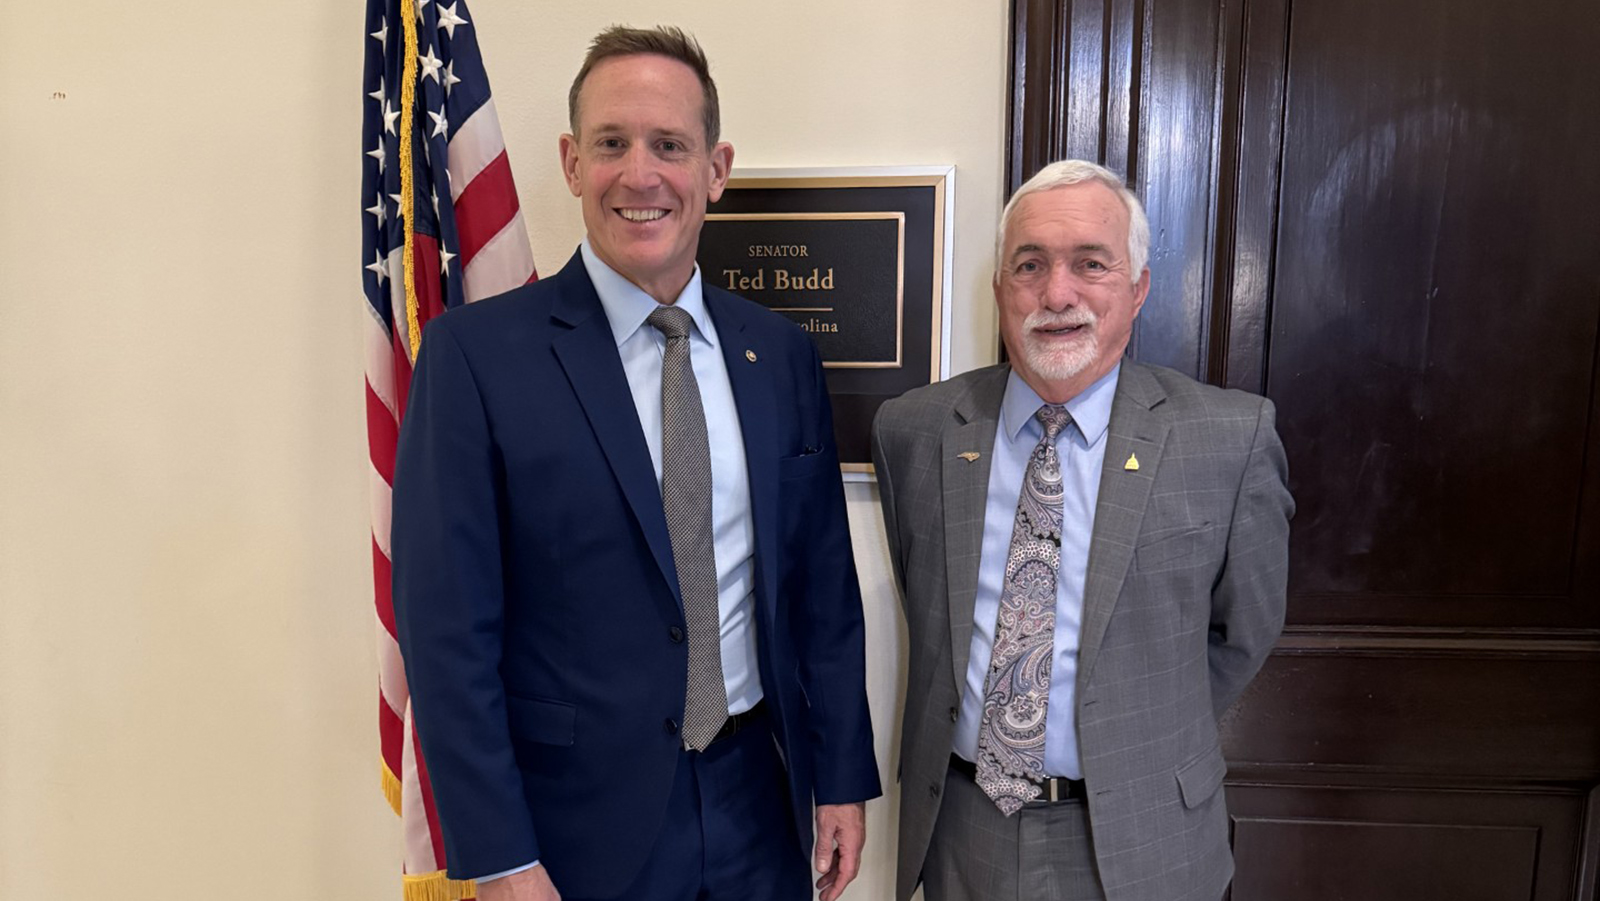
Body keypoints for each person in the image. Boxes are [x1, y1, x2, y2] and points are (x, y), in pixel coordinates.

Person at [392, 25, 880, 901]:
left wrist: (842, 774)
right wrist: (498, 856)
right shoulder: (476, 358)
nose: (640, 174)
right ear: (573, 163)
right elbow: (446, 631)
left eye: (670, 145)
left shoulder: (780, 355)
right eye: (612, 144)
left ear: (716, 169)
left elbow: (823, 600)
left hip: (758, 804)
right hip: (571, 827)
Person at [871, 159, 1292, 901]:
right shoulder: (917, 430)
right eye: (1029, 265)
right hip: (966, 829)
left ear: (1138, 287)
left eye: (1089, 264)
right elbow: (926, 603)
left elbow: (1245, 633)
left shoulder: (1228, 438)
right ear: (1000, 288)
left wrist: (1138, 726)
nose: (1056, 293)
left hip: (1143, 830)